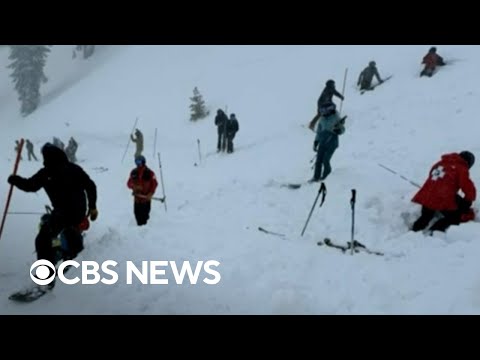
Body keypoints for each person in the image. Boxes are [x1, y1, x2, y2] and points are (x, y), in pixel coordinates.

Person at [7, 143, 98, 281]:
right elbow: (90, 186)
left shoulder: (47, 172)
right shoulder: (72, 169)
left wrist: (15, 179)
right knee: (66, 230)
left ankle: (46, 276)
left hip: (66, 212)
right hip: (76, 211)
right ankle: (71, 256)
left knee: (43, 238)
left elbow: (29, 186)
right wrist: (92, 207)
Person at [411, 151, 476, 233]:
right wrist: (468, 201)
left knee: (426, 216)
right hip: (443, 198)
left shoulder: (440, 163)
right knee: (453, 218)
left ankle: (413, 232)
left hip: (427, 196)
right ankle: (434, 232)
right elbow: (468, 188)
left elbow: (433, 177)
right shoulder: (461, 168)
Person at [310, 102, 346, 182]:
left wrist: (338, 130)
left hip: (332, 142)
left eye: (325, 110)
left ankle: (327, 177)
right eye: (322, 110)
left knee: (325, 160)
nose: (323, 112)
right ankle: (316, 177)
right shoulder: (322, 119)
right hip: (322, 141)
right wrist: (316, 141)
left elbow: (342, 129)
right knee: (318, 160)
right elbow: (319, 131)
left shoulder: (335, 117)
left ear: (330, 109)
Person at [127, 155, 159, 226]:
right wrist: (134, 186)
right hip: (137, 200)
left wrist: (150, 193)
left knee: (145, 217)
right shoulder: (133, 172)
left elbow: (155, 184)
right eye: (136, 162)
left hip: (146, 200)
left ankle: (145, 232)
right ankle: (139, 231)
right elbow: (129, 183)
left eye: (139, 162)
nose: (138, 164)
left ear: (143, 162)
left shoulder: (150, 173)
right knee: (137, 215)